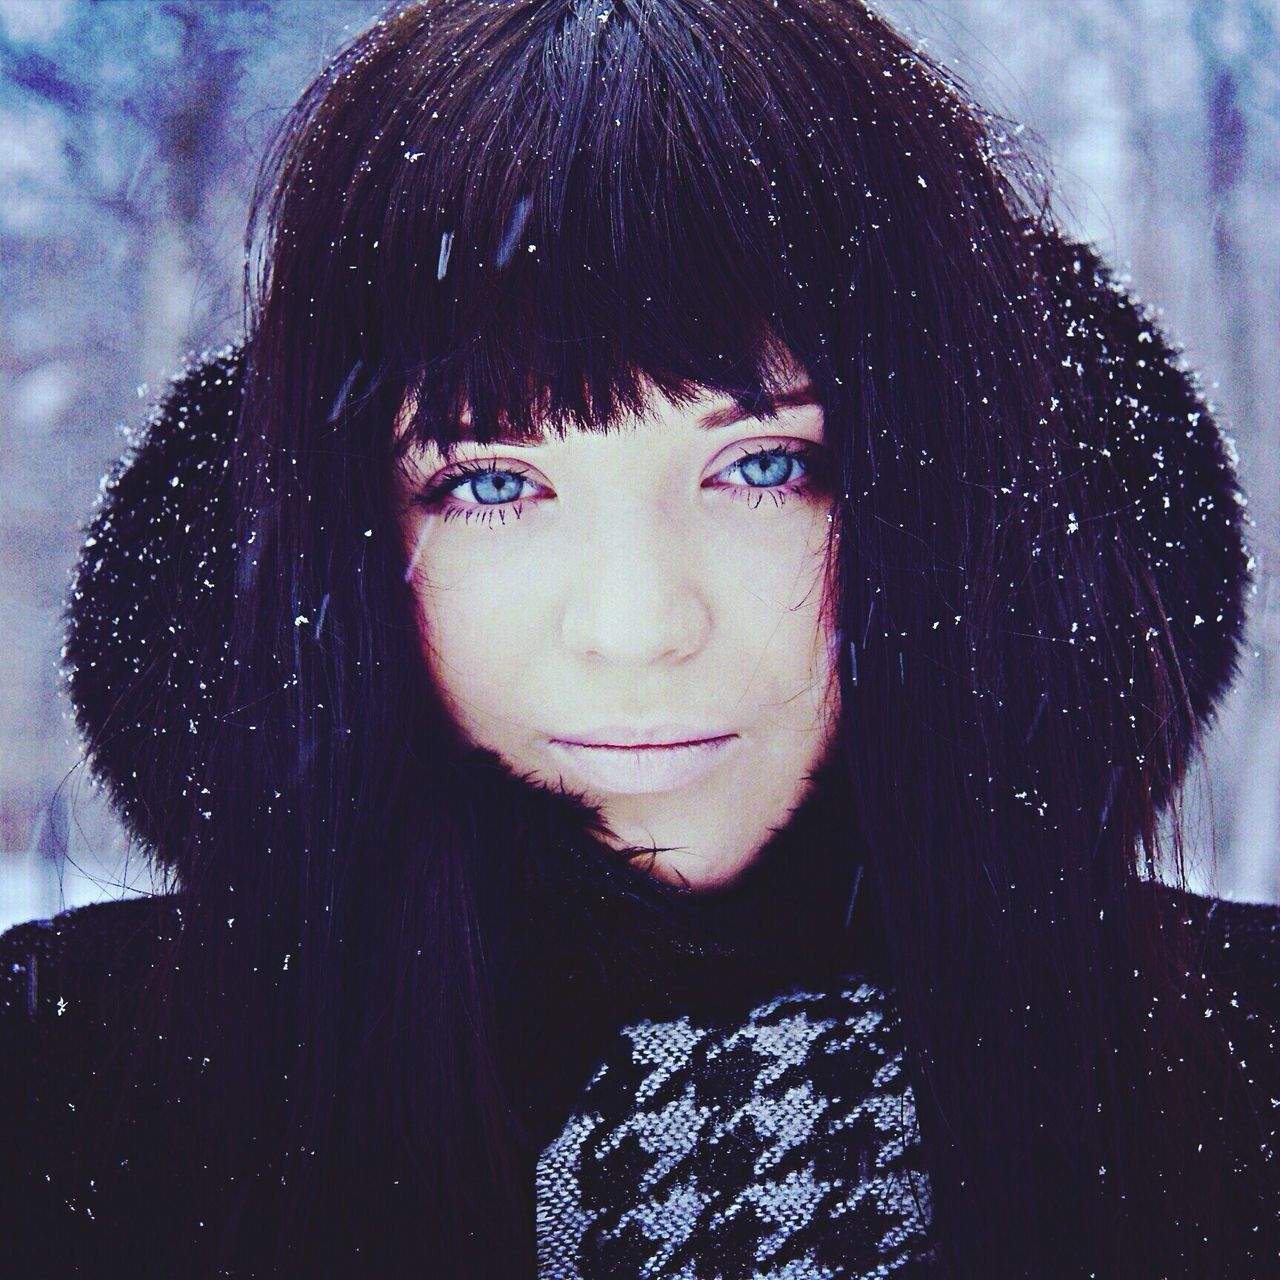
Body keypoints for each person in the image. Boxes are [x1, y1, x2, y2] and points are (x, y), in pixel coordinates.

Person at [1, 1, 1276, 1276]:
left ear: (943, 489)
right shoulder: (69, 1100)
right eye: (490, 482)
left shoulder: (1237, 1073)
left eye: (765, 463)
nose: (637, 626)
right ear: (335, 534)